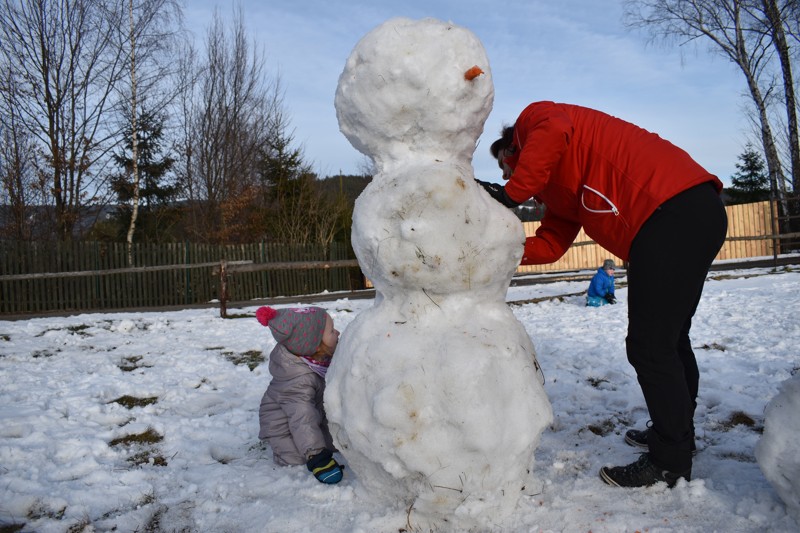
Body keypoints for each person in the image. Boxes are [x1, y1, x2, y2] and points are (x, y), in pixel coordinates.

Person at [478, 101, 727, 488]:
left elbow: (553, 131)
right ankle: (676, 435)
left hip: (671, 210)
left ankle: (670, 460)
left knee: (650, 347)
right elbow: (550, 244)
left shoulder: (537, 119)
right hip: (688, 212)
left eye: (505, 167)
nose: (509, 175)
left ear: (512, 150)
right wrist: (494, 246)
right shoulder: (560, 192)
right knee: (670, 341)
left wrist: (510, 193)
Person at [256, 305, 343, 484]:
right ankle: (311, 452)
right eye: (332, 331)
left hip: (310, 422)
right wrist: (318, 458)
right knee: (296, 456)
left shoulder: (313, 360)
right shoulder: (298, 380)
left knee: (338, 441)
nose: (338, 332)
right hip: (286, 433)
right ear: (314, 343)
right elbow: (302, 419)